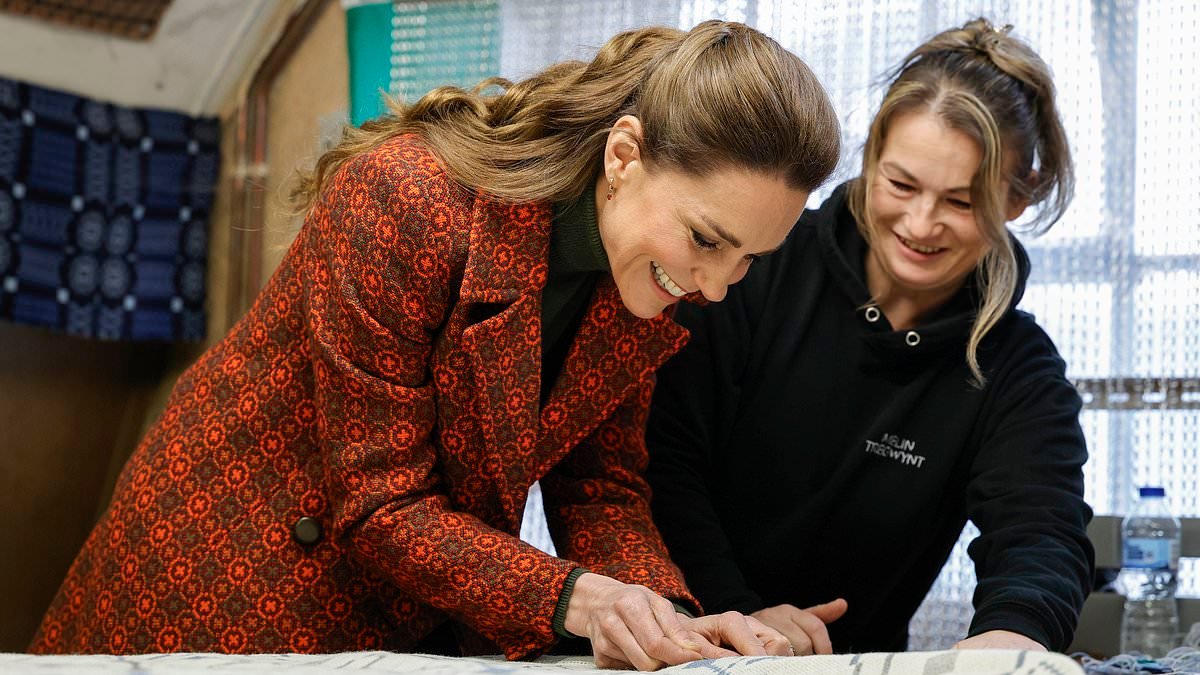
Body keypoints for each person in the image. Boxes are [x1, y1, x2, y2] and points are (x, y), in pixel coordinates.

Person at [29, 20, 841, 671]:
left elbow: (603, 491)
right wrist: (582, 600)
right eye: (708, 239)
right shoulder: (406, 195)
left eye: (748, 260)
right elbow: (382, 503)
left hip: (404, 610)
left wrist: (677, 623)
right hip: (228, 578)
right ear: (622, 155)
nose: (715, 286)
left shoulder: (647, 276)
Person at [645, 18, 1094, 656]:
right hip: (691, 640)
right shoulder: (750, 266)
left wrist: (1008, 642)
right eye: (901, 184)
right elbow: (661, 461)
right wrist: (737, 610)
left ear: (1016, 202)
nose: (920, 223)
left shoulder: (1016, 367)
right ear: (871, 158)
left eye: (962, 203)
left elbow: (1041, 531)